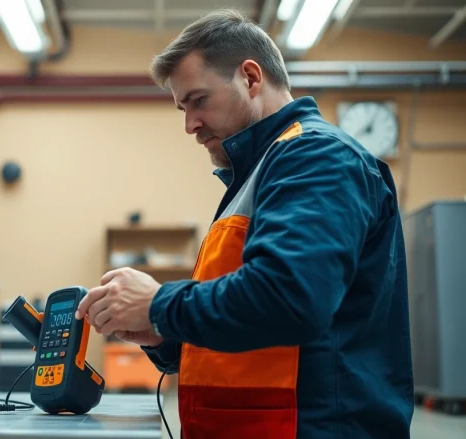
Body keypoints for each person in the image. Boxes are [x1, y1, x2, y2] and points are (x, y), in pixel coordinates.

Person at [74, 8, 414, 439]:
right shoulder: (257, 175)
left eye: (198, 100)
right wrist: (161, 334)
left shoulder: (315, 158)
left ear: (251, 78)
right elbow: (249, 334)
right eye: (182, 107)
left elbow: (290, 299)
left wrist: (159, 303)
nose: (189, 125)